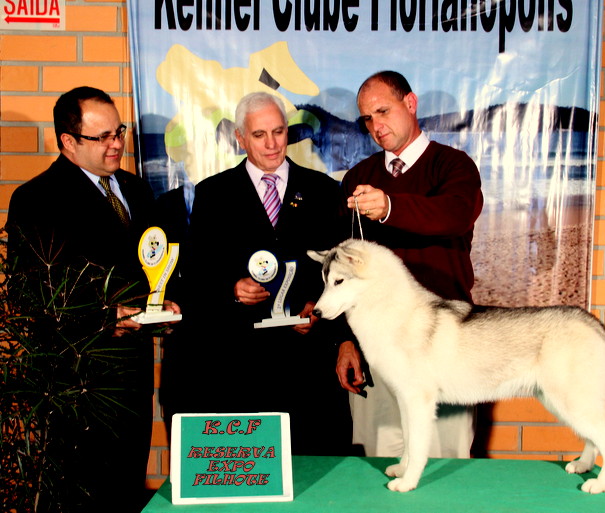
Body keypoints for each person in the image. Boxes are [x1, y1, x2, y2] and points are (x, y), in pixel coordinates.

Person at [6, 86, 180, 513]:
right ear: (68, 142)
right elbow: (28, 292)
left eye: (118, 131)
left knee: (126, 490)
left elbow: (151, 265)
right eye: (101, 136)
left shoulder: (137, 191)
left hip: (133, 374)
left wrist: (164, 304)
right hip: (76, 382)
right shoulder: (35, 198)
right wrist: (107, 315)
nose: (117, 143)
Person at [162, 92, 353, 455]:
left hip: (307, 365)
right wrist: (230, 289)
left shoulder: (324, 191)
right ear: (240, 138)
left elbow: (342, 272)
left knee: (315, 470)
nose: (271, 144)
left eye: (279, 132)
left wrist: (320, 310)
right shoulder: (211, 195)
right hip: (239, 368)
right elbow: (196, 273)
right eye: (259, 135)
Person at [336, 71, 484, 458]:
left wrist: (390, 207)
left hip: (445, 343)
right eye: (367, 118)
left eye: (383, 111)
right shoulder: (358, 177)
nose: (375, 125)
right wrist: (345, 340)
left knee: (445, 460)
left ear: (411, 104)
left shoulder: (454, 167)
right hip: (378, 344)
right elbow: (347, 269)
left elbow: (454, 215)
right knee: (380, 458)